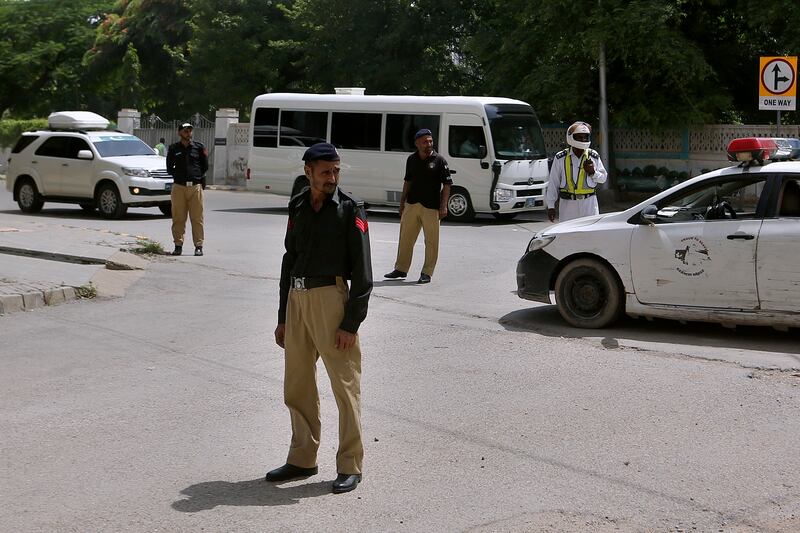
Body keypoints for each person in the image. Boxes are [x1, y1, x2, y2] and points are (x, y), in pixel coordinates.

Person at [266, 142, 373, 495]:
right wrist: (283, 315)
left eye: (336, 171)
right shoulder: (297, 205)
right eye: (325, 171)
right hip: (297, 300)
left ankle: (349, 464)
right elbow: (288, 259)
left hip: (332, 300)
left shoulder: (349, 208)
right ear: (308, 171)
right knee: (297, 385)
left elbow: (363, 272)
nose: (332, 177)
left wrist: (350, 323)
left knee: (345, 387)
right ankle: (302, 457)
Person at [384, 128, 452, 284]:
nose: (428, 144)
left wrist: (444, 206)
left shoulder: (439, 160)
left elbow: (447, 184)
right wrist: (402, 203)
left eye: (430, 141)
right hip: (412, 204)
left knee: (431, 241)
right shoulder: (412, 159)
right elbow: (407, 181)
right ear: (417, 143)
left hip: (431, 207)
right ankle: (401, 269)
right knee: (405, 238)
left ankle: (427, 272)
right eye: (425, 141)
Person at [546, 121, 607, 223]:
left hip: (589, 205)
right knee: (568, 235)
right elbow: (553, 183)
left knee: (589, 236)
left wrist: (593, 172)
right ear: (570, 137)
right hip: (568, 206)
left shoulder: (593, 155)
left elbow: (603, 178)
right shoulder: (561, 157)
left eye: (585, 137)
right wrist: (551, 206)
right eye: (579, 137)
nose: (583, 140)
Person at [166, 123, 208, 256]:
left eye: (190, 130)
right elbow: (169, 167)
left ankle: (199, 246)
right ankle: (178, 245)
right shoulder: (173, 148)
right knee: (178, 218)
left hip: (195, 187)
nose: (188, 133)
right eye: (185, 130)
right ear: (179, 133)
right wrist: (178, 176)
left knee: (197, 218)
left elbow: (205, 166)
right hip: (179, 187)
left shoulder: (199, 147)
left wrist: (197, 176)